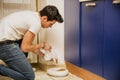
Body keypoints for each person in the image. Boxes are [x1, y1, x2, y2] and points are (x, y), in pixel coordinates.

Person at [0, 5, 63, 80]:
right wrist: (42, 45)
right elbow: (25, 48)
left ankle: (17, 68)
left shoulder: (32, 16)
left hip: (5, 41)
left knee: (24, 46)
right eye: (51, 24)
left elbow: (28, 45)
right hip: (4, 45)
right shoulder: (36, 23)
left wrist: (43, 55)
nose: (50, 27)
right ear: (44, 18)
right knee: (29, 77)